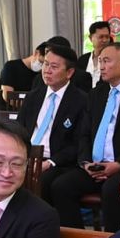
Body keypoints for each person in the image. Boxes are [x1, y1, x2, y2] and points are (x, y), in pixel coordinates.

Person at [47, 43, 120, 232]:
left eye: (106, 61)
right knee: (61, 186)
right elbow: (84, 134)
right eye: (100, 61)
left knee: (112, 190)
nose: (101, 66)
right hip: (94, 166)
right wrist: (86, 162)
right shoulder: (97, 93)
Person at [22, 43, 90, 189]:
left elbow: (78, 142)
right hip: (25, 157)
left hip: (56, 162)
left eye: (54, 67)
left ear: (69, 72)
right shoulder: (33, 97)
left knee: (43, 181)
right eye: (46, 64)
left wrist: (50, 162)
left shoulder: (81, 101)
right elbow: (19, 129)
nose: (47, 70)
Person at [0, 43, 43, 107]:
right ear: (36, 53)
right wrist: (31, 106)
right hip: (12, 109)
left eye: (45, 64)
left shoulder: (42, 74)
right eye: (41, 62)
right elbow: (8, 97)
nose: (42, 66)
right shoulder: (11, 66)